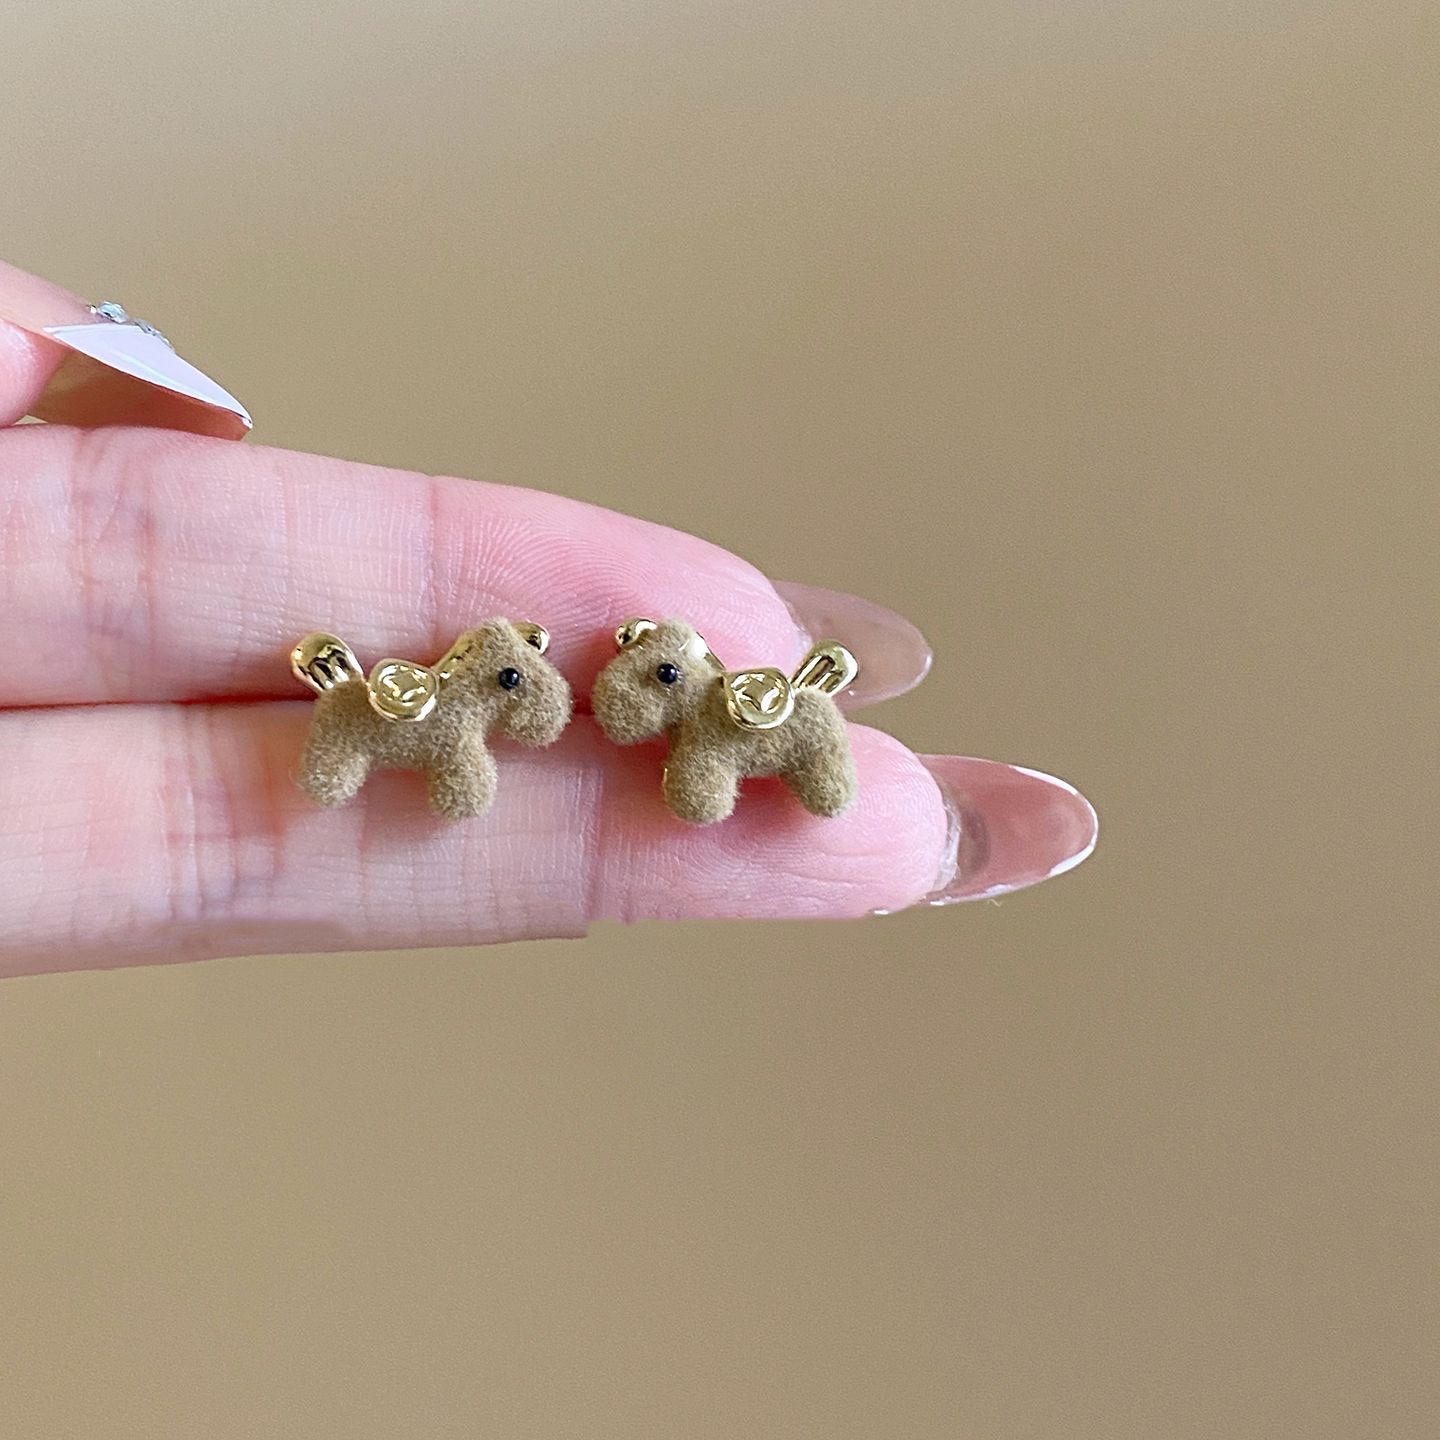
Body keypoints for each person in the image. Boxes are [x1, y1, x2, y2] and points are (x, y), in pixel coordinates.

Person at [0, 260, 1096, 975]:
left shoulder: (658, 712)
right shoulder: (479, 703)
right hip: (388, 711)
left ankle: (811, 770)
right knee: (372, 761)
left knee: (767, 775)